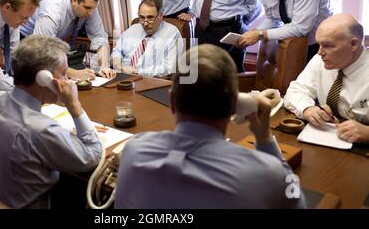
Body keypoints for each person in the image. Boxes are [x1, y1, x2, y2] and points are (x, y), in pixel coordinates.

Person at [115, 44, 306, 208]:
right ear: (235, 105)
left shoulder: (134, 149)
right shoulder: (269, 174)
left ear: (172, 101)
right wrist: (263, 137)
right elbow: (296, 200)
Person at [0, 35, 102, 208]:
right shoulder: (41, 130)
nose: (68, 81)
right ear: (44, 78)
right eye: (64, 73)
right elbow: (93, 156)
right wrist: (74, 106)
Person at [284, 14, 369, 143]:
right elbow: (296, 89)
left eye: (328, 45)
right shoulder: (320, 60)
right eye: (319, 44)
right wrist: (307, 108)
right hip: (324, 137)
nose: (320, 52)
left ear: (353, 44)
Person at [20, 0, 115, 80]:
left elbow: (99, 36)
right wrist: (75, 74)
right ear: (74, 1)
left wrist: (104, 66)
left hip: (54, 39)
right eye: (87, 8)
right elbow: (42, 54)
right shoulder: (51, 14)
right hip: (25, 39)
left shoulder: (89, 7)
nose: (91, 13)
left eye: (94, 8)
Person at [111, 0, 182, 77]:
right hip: (122, 76)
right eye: (142, 17)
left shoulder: (172, 33)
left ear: (160, 16)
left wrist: (137, 71)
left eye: (150, 18)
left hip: (150, 80)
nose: (145, 23)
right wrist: (117, 64)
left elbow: (168, 68)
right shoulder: (132, 29)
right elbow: (117, 51)